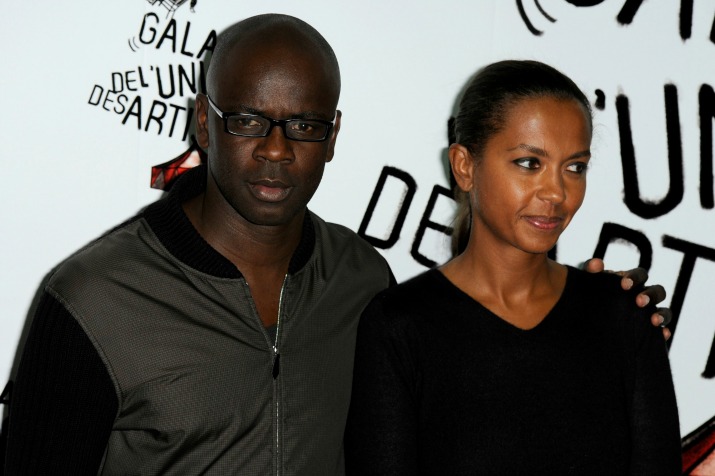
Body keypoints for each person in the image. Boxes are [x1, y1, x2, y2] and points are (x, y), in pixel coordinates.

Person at [3, 16, 670, 476]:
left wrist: (595, 316)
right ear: (203, 123)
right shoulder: (93, 300)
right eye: (246, 121)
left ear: (333, 136)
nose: (274, 149)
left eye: (303, 125)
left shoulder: (363, 284)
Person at [345, 60, 682, 475]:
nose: (557, 192)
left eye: (574, 167)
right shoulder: (399, 325)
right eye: (529, 163)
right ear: (465, 166)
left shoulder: (623, 315)